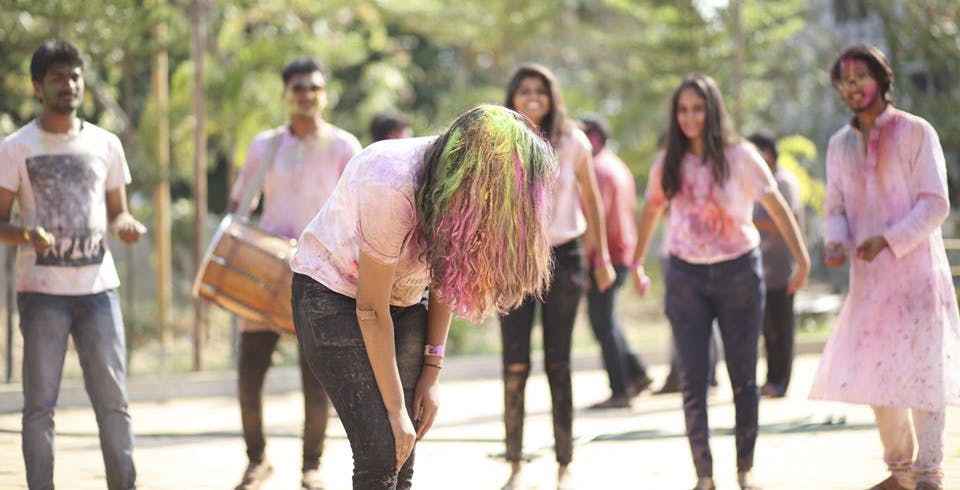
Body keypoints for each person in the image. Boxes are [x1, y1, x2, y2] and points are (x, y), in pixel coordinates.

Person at [289, 105, 557, 490]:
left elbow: (449, 274)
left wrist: (432, 373)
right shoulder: (390, 180)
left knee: (404, 454)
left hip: (401, 300)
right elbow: (370, 307)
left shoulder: (468, 192)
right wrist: (397, 409)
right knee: (381, 450)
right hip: (331, 296)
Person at [632, 74, 810, 490]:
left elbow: (778, 207)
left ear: (713, 111)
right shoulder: (668, 162)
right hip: (685, 276)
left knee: (744, 376)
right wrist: (637, 262)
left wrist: (802, 259)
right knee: (693, 380)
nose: (690, 117)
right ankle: (705, 477)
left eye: (698, 108)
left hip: (738, 273)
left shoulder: (741, 155)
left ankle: (745, 471)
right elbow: (651, 212)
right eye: (683, 110)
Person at [810, 45, 960, 490]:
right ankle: (900, 473)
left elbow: (935, 204)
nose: (854, 87)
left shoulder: (916, 133)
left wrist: (890, 239)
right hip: (869, 284)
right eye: (846, 80)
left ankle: (929, 473)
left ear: (883, 78)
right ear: (839, 89)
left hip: (917, 278)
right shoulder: (839, 145)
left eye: (862, 76)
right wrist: (835, 241)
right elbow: (834, 205)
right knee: (880, 378)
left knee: (922, 374)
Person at [0, 40, 146, 490]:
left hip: (99, 291)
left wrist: (126, 224)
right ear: (38, 87)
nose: (69, 84)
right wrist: (27, 235)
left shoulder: (106, 143)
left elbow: (117, 209)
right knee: (40, 408)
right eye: (58, 77)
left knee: (113, 403)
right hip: (42, 293)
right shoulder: (15, 148)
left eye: (75, 75)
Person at [227, 57, 362, 490]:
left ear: (325, 94)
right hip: (265, 275)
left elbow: (358, 210)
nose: (307, 94)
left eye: (314, 88)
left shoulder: (344, 147)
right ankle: (256, 460)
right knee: (249, 371)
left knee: (316, 376)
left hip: (320, 275)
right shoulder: (264, 146)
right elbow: (240, 205)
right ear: (286, 93)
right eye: (299, 87)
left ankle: (312, 466)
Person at [498, 64, 616, 490]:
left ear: (552, 97)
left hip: (564, 258)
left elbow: (593, 201)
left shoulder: (572, 141)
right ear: (511, 97)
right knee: (514, 364)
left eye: (540, 91)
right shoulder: (500, 139)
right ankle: (514, 465)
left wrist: (600, 257)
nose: (532, 97)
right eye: (523, 90)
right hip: (512, 261)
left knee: (558, 362)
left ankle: (564, 465)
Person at [579, 116, 652, 409]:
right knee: (608, 322)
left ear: (593, 138)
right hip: (624, 253)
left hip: (605, 258)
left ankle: (620, 390)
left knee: (603, 325)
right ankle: (637, 374)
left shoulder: (596, 170)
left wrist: (587, 264)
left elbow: (593, 223)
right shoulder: (618, 166)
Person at [747, 131, 803, 399]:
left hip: (784, 270)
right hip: (762, 272)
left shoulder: (783, 182)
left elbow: (784, 221)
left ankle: (781, 382)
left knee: (783, 329)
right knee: (768, 330)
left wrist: (749, 221)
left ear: (768, 153)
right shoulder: (755, 183)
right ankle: (770, 380)